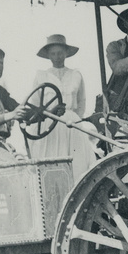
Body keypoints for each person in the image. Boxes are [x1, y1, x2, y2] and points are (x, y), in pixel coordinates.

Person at [29, 34, 98, 175]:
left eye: (60, 53)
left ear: (66, 53)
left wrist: (74, 119)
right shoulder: (41, 76)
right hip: (50, 124)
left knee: (78, 164)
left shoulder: (75, 74)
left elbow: (81, 101)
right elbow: (35, 104)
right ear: (48, 56)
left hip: (72, 124)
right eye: (53, 54)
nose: (57, 57)